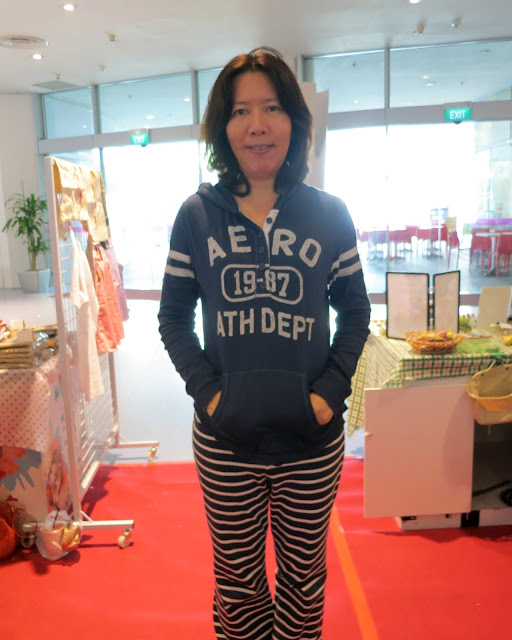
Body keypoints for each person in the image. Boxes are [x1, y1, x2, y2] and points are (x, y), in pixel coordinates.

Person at [158, 47, 370, 640]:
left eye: (272, 108)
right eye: (241, 110)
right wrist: (210, 395)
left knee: (304, 581)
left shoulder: (330, 214)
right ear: (222, 128)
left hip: (311, 440)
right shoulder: (195, 216)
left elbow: (355, 311)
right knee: (238, 583)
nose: (257, 125)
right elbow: (173, 317)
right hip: (226, 440)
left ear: (294, 122)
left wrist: (328, 393)